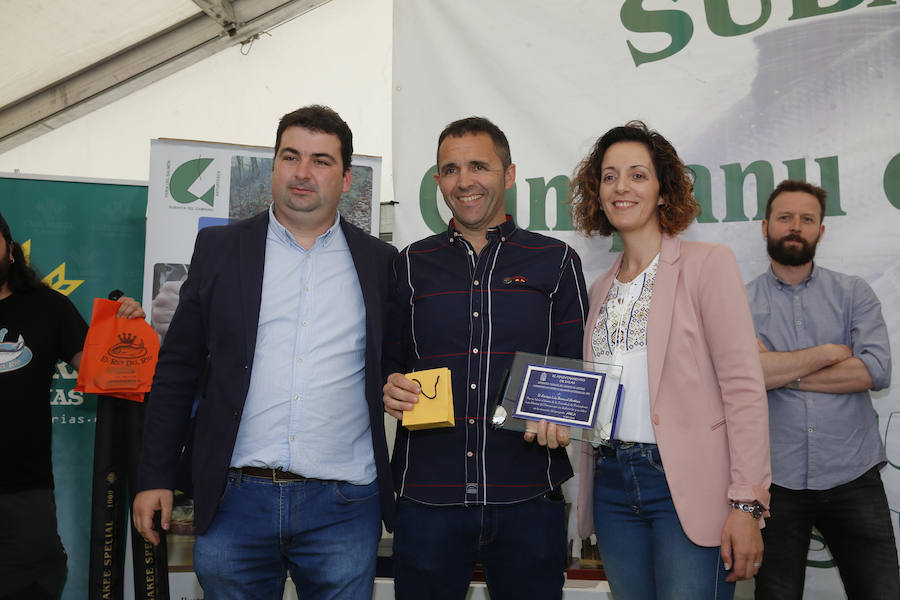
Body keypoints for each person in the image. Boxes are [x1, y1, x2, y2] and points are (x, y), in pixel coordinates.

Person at [133, 105, 398, 600]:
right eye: (291, 156)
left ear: (346, 179)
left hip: (343, 504)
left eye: (321, 161)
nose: (303, 172)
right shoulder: (219, 249)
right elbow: (176, 372)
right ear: (274, 166)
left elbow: (396, 366)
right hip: (234, 500)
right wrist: (155, 476)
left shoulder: (381, 263)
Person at [382, 116, 588, 599]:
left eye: (479, 166)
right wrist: (389, 384)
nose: (464, 181)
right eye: (450, 169)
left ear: (509, 174)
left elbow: (572, 364)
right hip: (427, 498)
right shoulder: (408, 264)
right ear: (438, 181)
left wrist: (560, 413)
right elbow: (386, 361)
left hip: (528, 498)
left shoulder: (555, 261)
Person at [570, 121, 771, 599]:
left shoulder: (707, 263)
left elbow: (744, 388)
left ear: (663, 191)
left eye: (638, 175)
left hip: (688, 485)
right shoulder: (599, 289)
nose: (622, 187)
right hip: (614, 483)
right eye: (610, 176)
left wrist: (747, 505)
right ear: (597, 193)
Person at [746, 179, 900, 599]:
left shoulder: (854, 293)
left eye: (807, 219)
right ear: (765, 227)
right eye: (785, 217)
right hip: (775, 485)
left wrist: (782, 370)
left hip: (854, 476)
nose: (795, 226)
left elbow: (875, 370)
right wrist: (831, 352)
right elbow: (747, 376)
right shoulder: (738, 301)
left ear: (821, 230)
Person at [0, 211, 144, 600]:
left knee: (33, 583)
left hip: (23, 489)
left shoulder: (47, 306)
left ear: (10, 250)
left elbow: (105, 371)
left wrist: (128, 330)